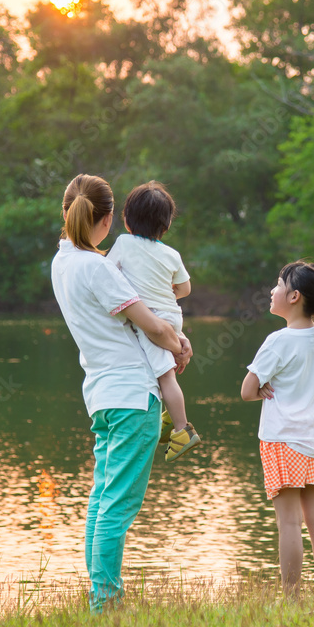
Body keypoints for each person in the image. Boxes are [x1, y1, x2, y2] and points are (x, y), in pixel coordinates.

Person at [50, 173, 192, 612]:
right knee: (118, 505)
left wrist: (169, 341)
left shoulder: (63, 261)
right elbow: (151, 324)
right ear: (108, 218)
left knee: (100, 499)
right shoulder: (98, 267)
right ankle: (106, 602)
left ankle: (99, 594)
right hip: (133, 395)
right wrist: (180, 345)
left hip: (101, 395)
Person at [240, 261, 314, 597]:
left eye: (278, 285)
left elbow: (246, 391)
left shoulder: (278, 341)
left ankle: (292, 597)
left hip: (284, 439)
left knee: (288, 523)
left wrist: (262, 387)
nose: (272, 291)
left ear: (294, 296)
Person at [107, 181, 200, 461]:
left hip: (152, 322)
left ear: (126, 219)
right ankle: (169, 418)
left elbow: (107, 272)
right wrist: (169, 289)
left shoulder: (123, 243)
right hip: (172, 316)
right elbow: (185, 289)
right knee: (161, 374)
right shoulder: (172, 254)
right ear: (167, 225)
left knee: (166, 377)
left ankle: (183, 429)